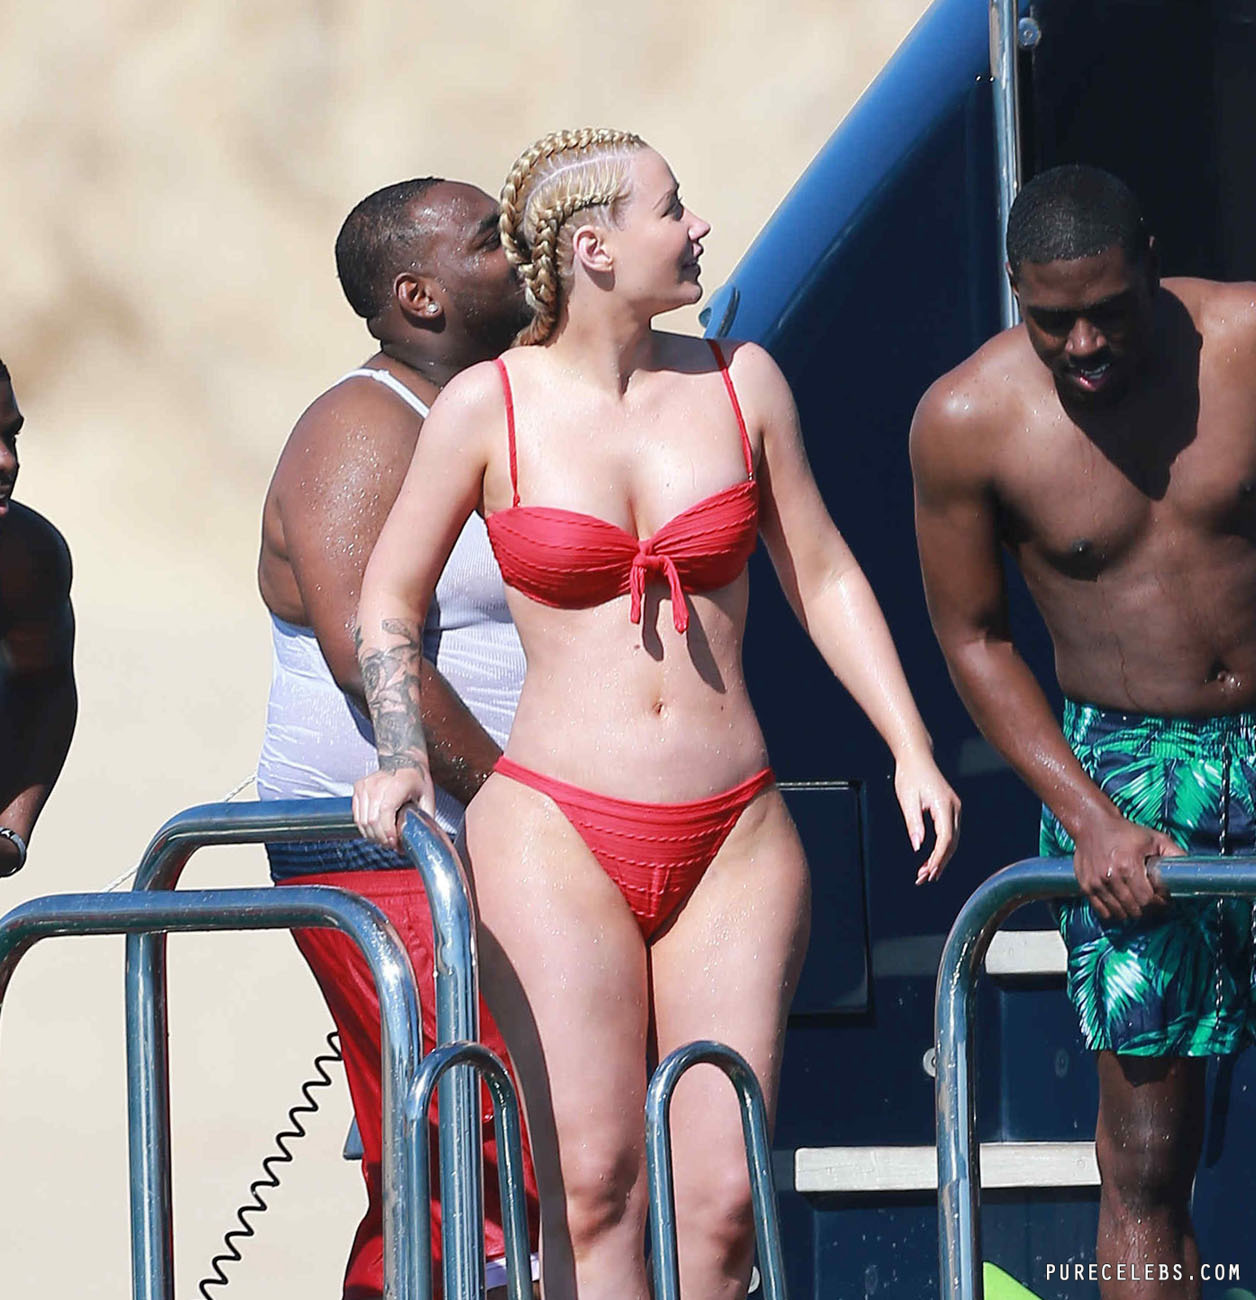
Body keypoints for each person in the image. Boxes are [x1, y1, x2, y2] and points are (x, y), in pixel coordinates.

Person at [353, 128, 959, 1300]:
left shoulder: (739, 380)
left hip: (731, 829)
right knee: (592, 1188)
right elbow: (388, 598)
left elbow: (822, 570)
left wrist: (909, 744)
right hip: (555, 828)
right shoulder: (488, 405)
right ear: (593, 247)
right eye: (671, 209)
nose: (696, 228)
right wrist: (398, 752)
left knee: (722, 1201)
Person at [911, 163, 1256, 1298]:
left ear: (1150, 262)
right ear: (1014, 288)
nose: (1085, 343)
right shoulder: (966, 420)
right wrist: (1087, 819)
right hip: (1124, 772)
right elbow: (973, 639)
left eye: (1107, 310)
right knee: (1146, 1158)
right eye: (1053, 320)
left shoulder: (1244, 344)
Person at [255, 178, 538, 1300]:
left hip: (483, 842)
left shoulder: (488, 410)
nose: (521, 247)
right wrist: (518, 801)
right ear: (419, 295)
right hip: (388, 853)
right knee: (471, 1147)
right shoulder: (361, 426)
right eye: (492, 240)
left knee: (492, 1156)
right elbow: (369, 656)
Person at [0, 358, 76, 879]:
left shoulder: (25, 557)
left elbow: (43, 688)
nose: (8, 462)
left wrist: (11, 834)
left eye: (12, 437)